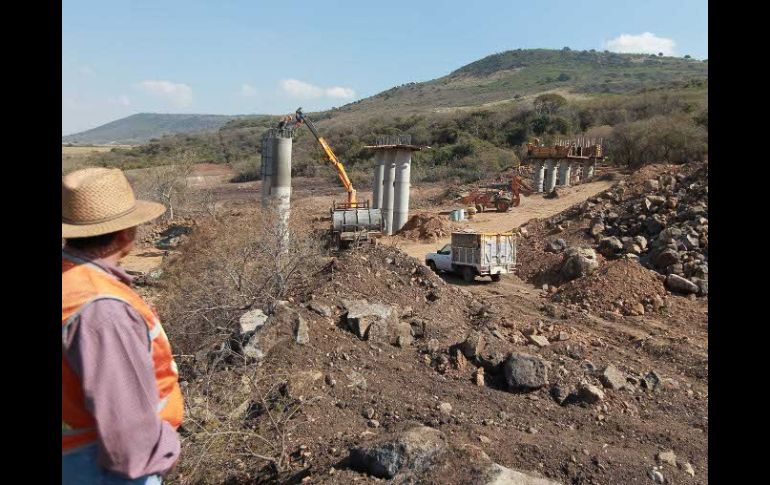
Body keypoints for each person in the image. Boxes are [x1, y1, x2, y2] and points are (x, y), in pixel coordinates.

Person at [62, 167, 184, 484]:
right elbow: (129, 437)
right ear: (125, 234)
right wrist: (165, 451)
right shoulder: (103, 310)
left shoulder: (70, 281)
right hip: (99, 465)